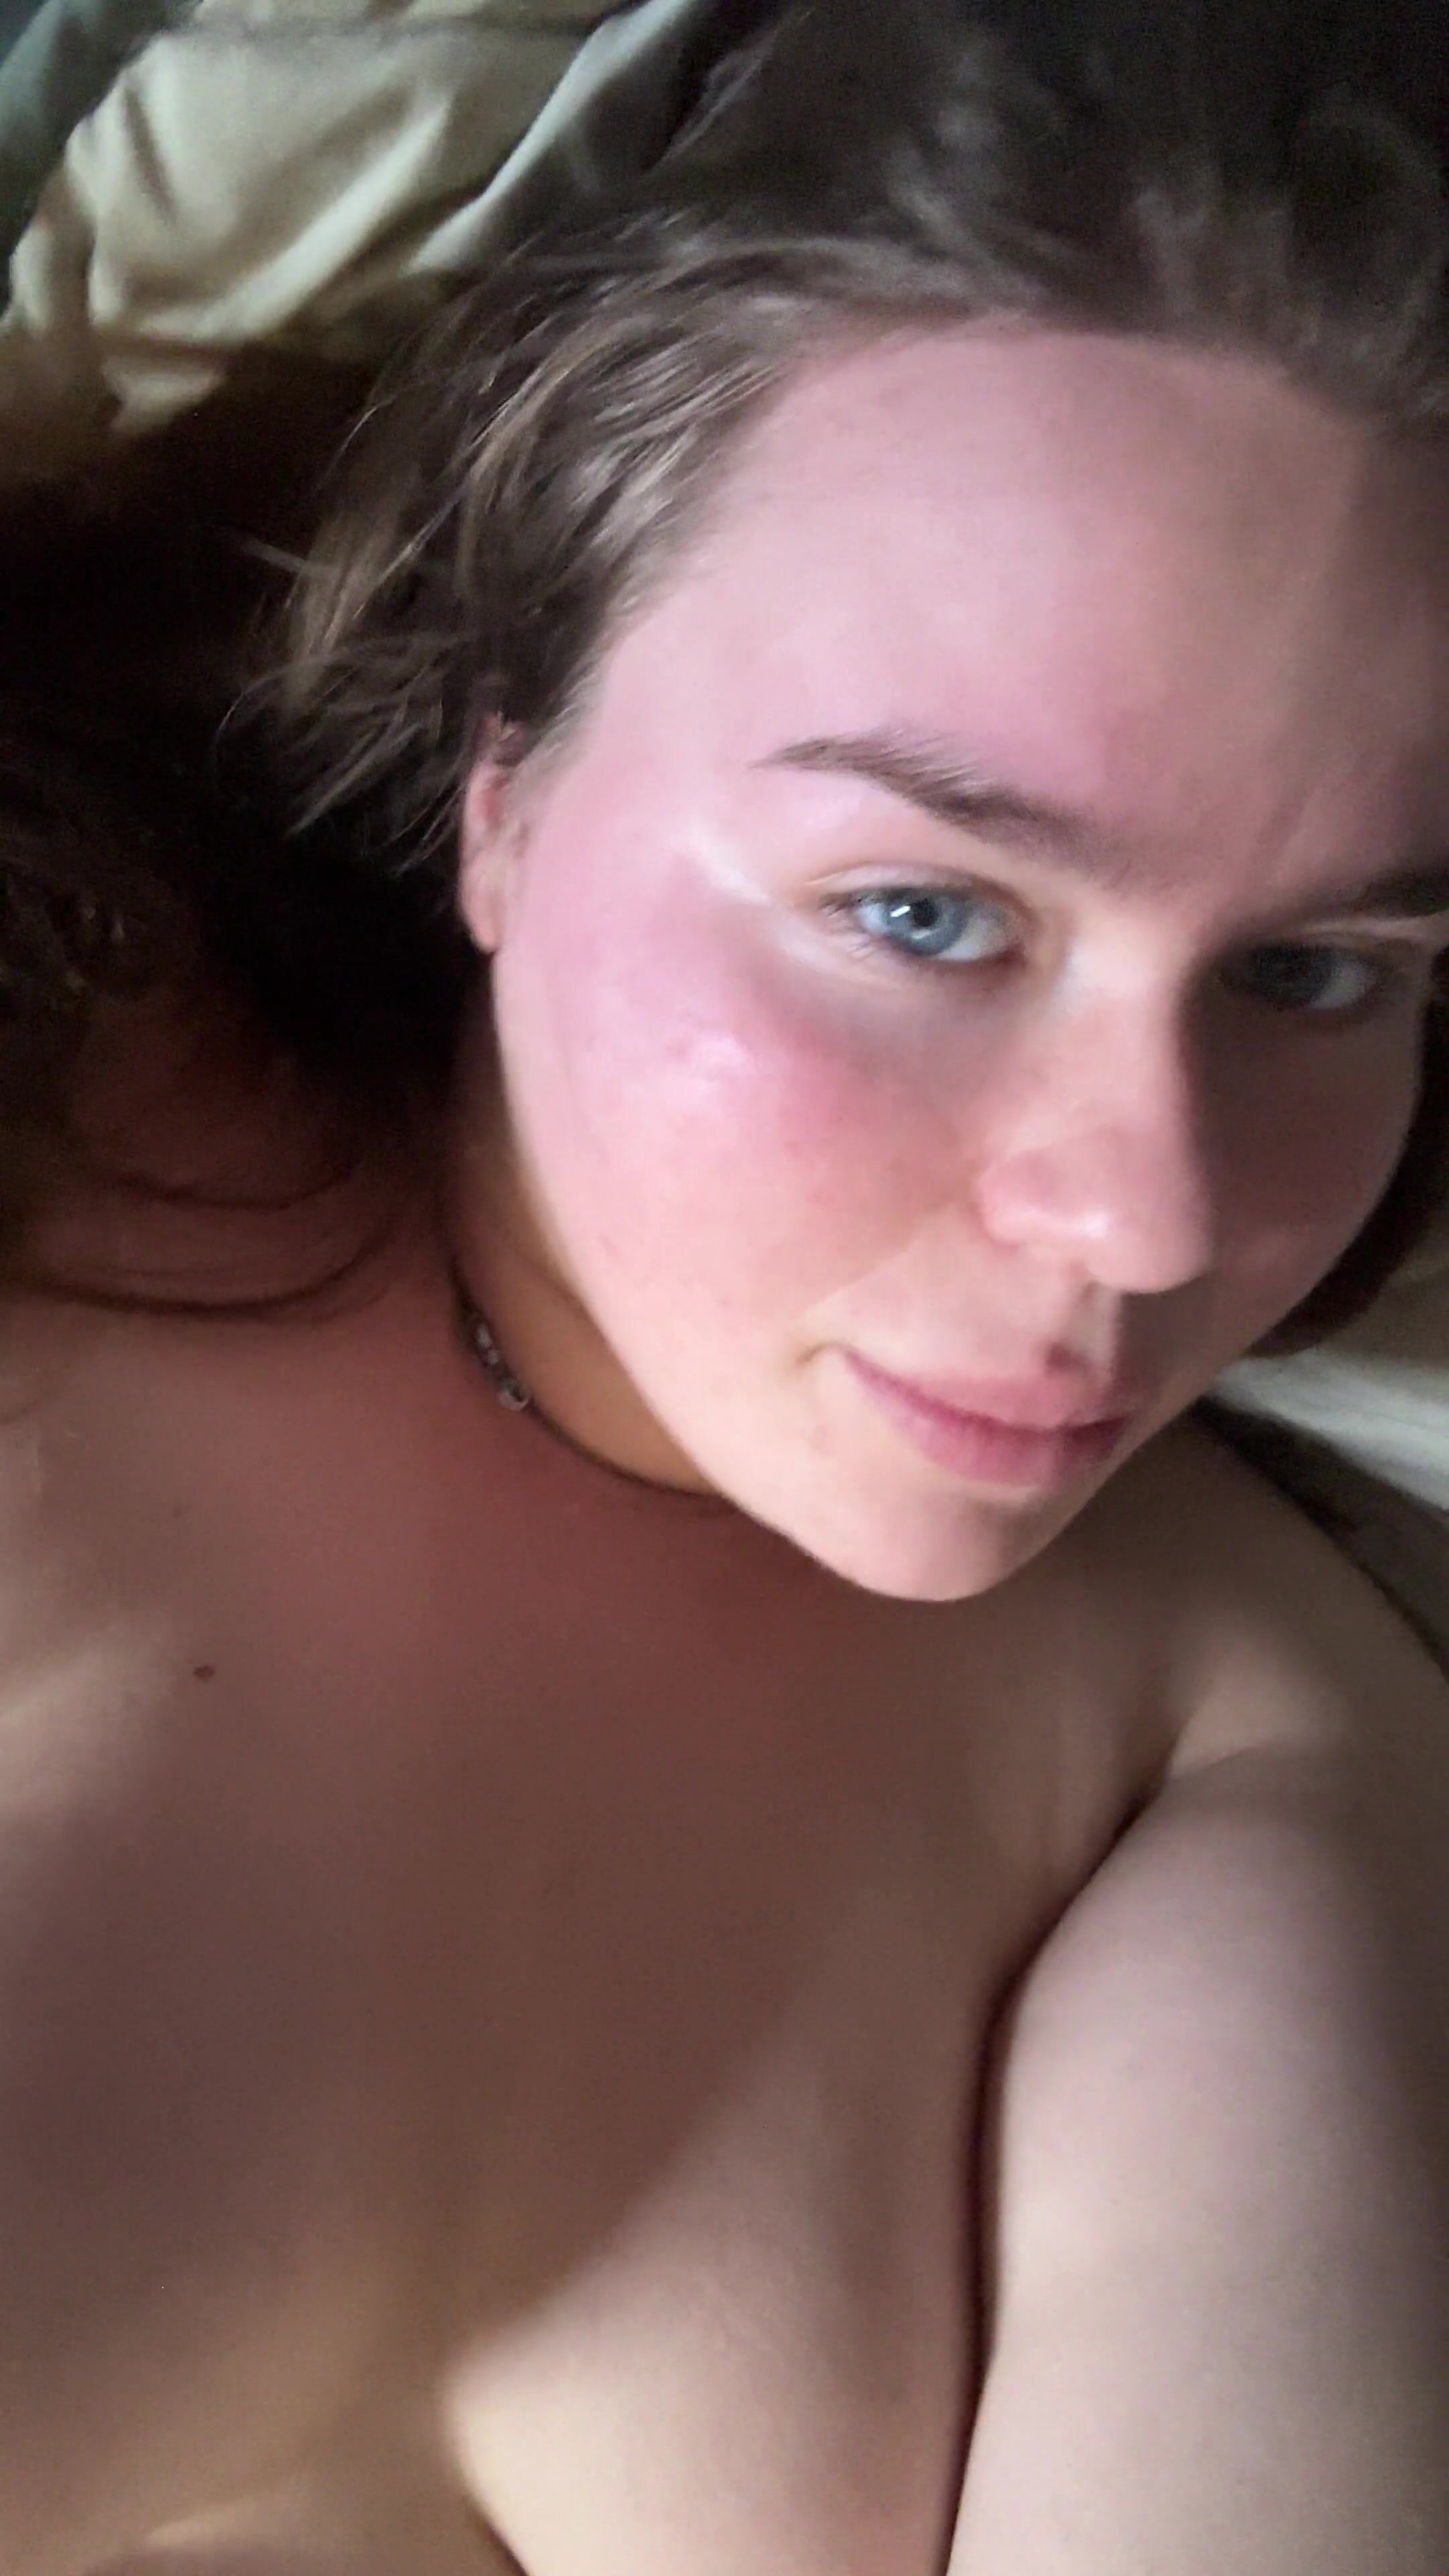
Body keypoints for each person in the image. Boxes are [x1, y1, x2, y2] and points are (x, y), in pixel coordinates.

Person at [3, 1, 1449, 2567]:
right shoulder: (50, 1076)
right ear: (507, 778)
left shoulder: (1227, 1736)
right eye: (926, 913)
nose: (1152, 1217)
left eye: (1315, 972)